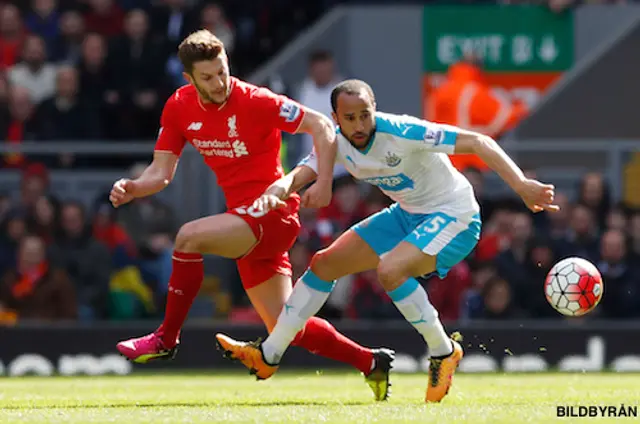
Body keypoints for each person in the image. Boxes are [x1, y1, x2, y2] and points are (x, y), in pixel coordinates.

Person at [216, 79, 558, 403]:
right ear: (336, 119)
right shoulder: (335, 142)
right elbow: (302, 173)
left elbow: (478, 142)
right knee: (324, 263)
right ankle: (269, 354)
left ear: (374, 109)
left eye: (365, 114)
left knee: (390, 270)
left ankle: (442, 351)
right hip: (407, 214)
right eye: (350, 118)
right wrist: (281, 188)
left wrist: (521, 185)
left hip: (455, 215)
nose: (360, 123)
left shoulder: (402, 130)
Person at [111, 33, 394, 401]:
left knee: (187, 237)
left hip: (272, 212)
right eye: (208, 77)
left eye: (222, 71)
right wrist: (134, 187)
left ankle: (166, 337)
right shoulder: (178, 106)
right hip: (243, 223)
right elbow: (161, 173)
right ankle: (372, 362)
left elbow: (323, 126)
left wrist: (323, 183)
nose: (220, 83)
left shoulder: (256, 100)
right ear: (189, 79)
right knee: (286, 326)